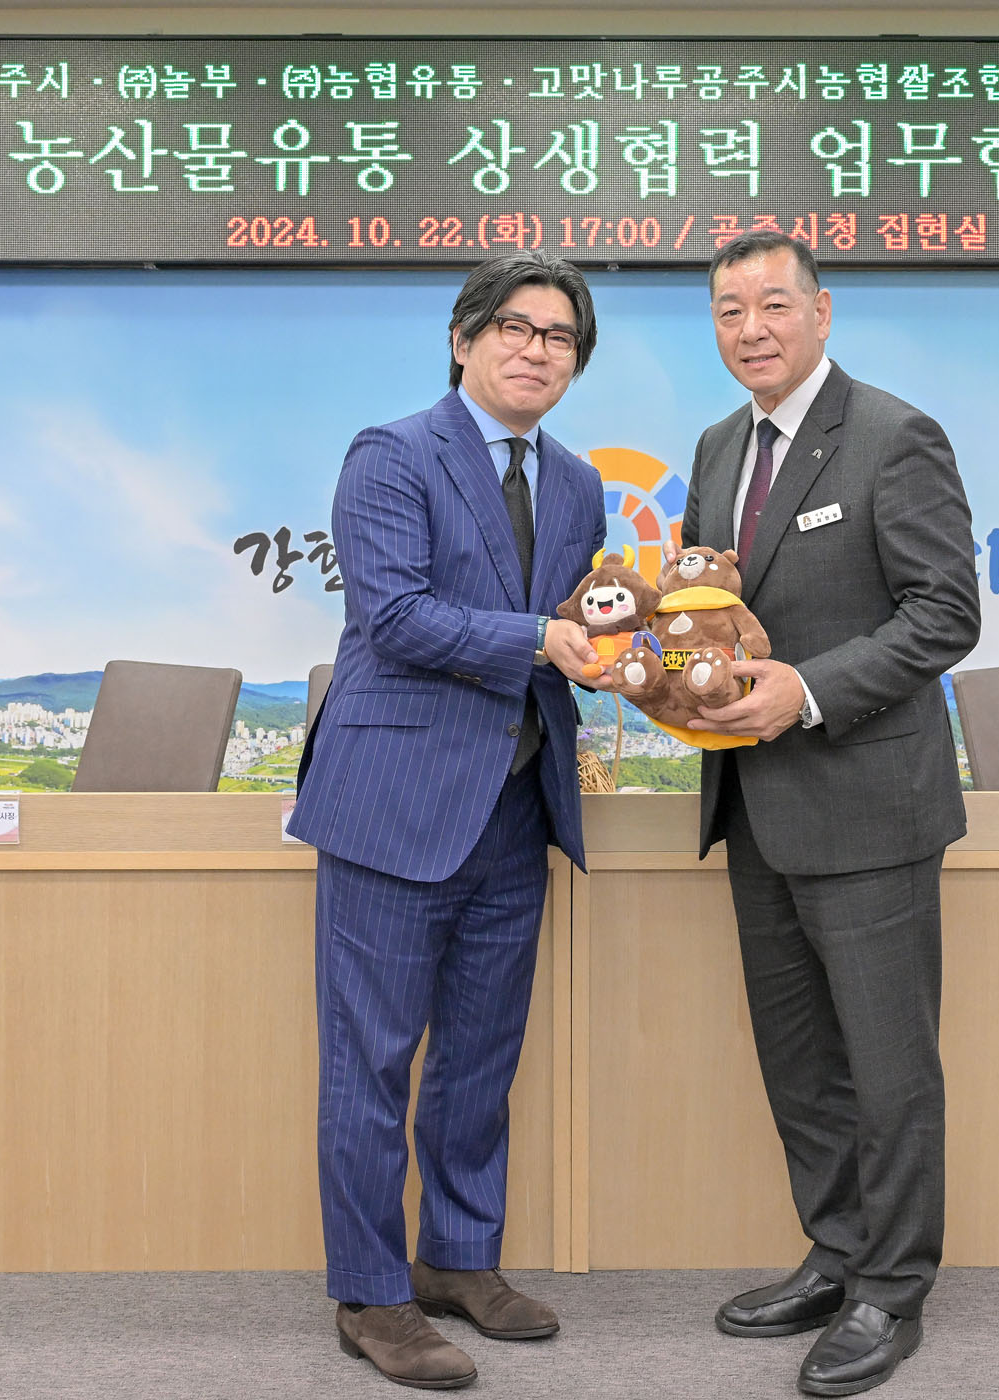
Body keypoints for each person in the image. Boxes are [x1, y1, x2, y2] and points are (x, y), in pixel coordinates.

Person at [288, 251, 606, 1391]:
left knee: (481, 1057)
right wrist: (542, 641)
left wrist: (626, 654)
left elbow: (575, 623)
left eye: (559, 337)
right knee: (369, 1063)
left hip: (516, 805)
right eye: (514, 327)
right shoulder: (391, 453)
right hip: (394, 803)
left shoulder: (578, 484)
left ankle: (459, 1259)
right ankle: (371, 1294)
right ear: (464, 341)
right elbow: (397, 616)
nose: (536, 350)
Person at [679, 231, 982, 1397]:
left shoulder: (895, 435)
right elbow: (711, 609)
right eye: (728, 310)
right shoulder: (718, 446)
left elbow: (944, 612)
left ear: (822, 310)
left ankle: (892, 1288)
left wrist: (806, 689)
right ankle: (837, 1250)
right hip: (754, 804)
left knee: (888, 1063)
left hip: (866, 804)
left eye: (772, 304)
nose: (750, 328)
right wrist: (660, 667)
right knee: (800, 1059)